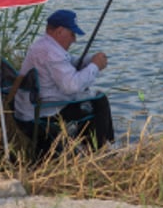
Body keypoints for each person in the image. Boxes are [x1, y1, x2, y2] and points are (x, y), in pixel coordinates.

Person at [13, 9, 114, 152]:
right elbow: (71, 86)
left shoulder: (44, 45)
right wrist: (95, 66)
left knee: (91, 100)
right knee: (99, 100)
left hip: (34, 107)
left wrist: (90, 60)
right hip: (44, 112)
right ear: (60, 31)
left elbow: (69, 62)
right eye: (72, 34)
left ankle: (91, 146)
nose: (74, 39)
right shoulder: (51, 52)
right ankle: (98, 149)